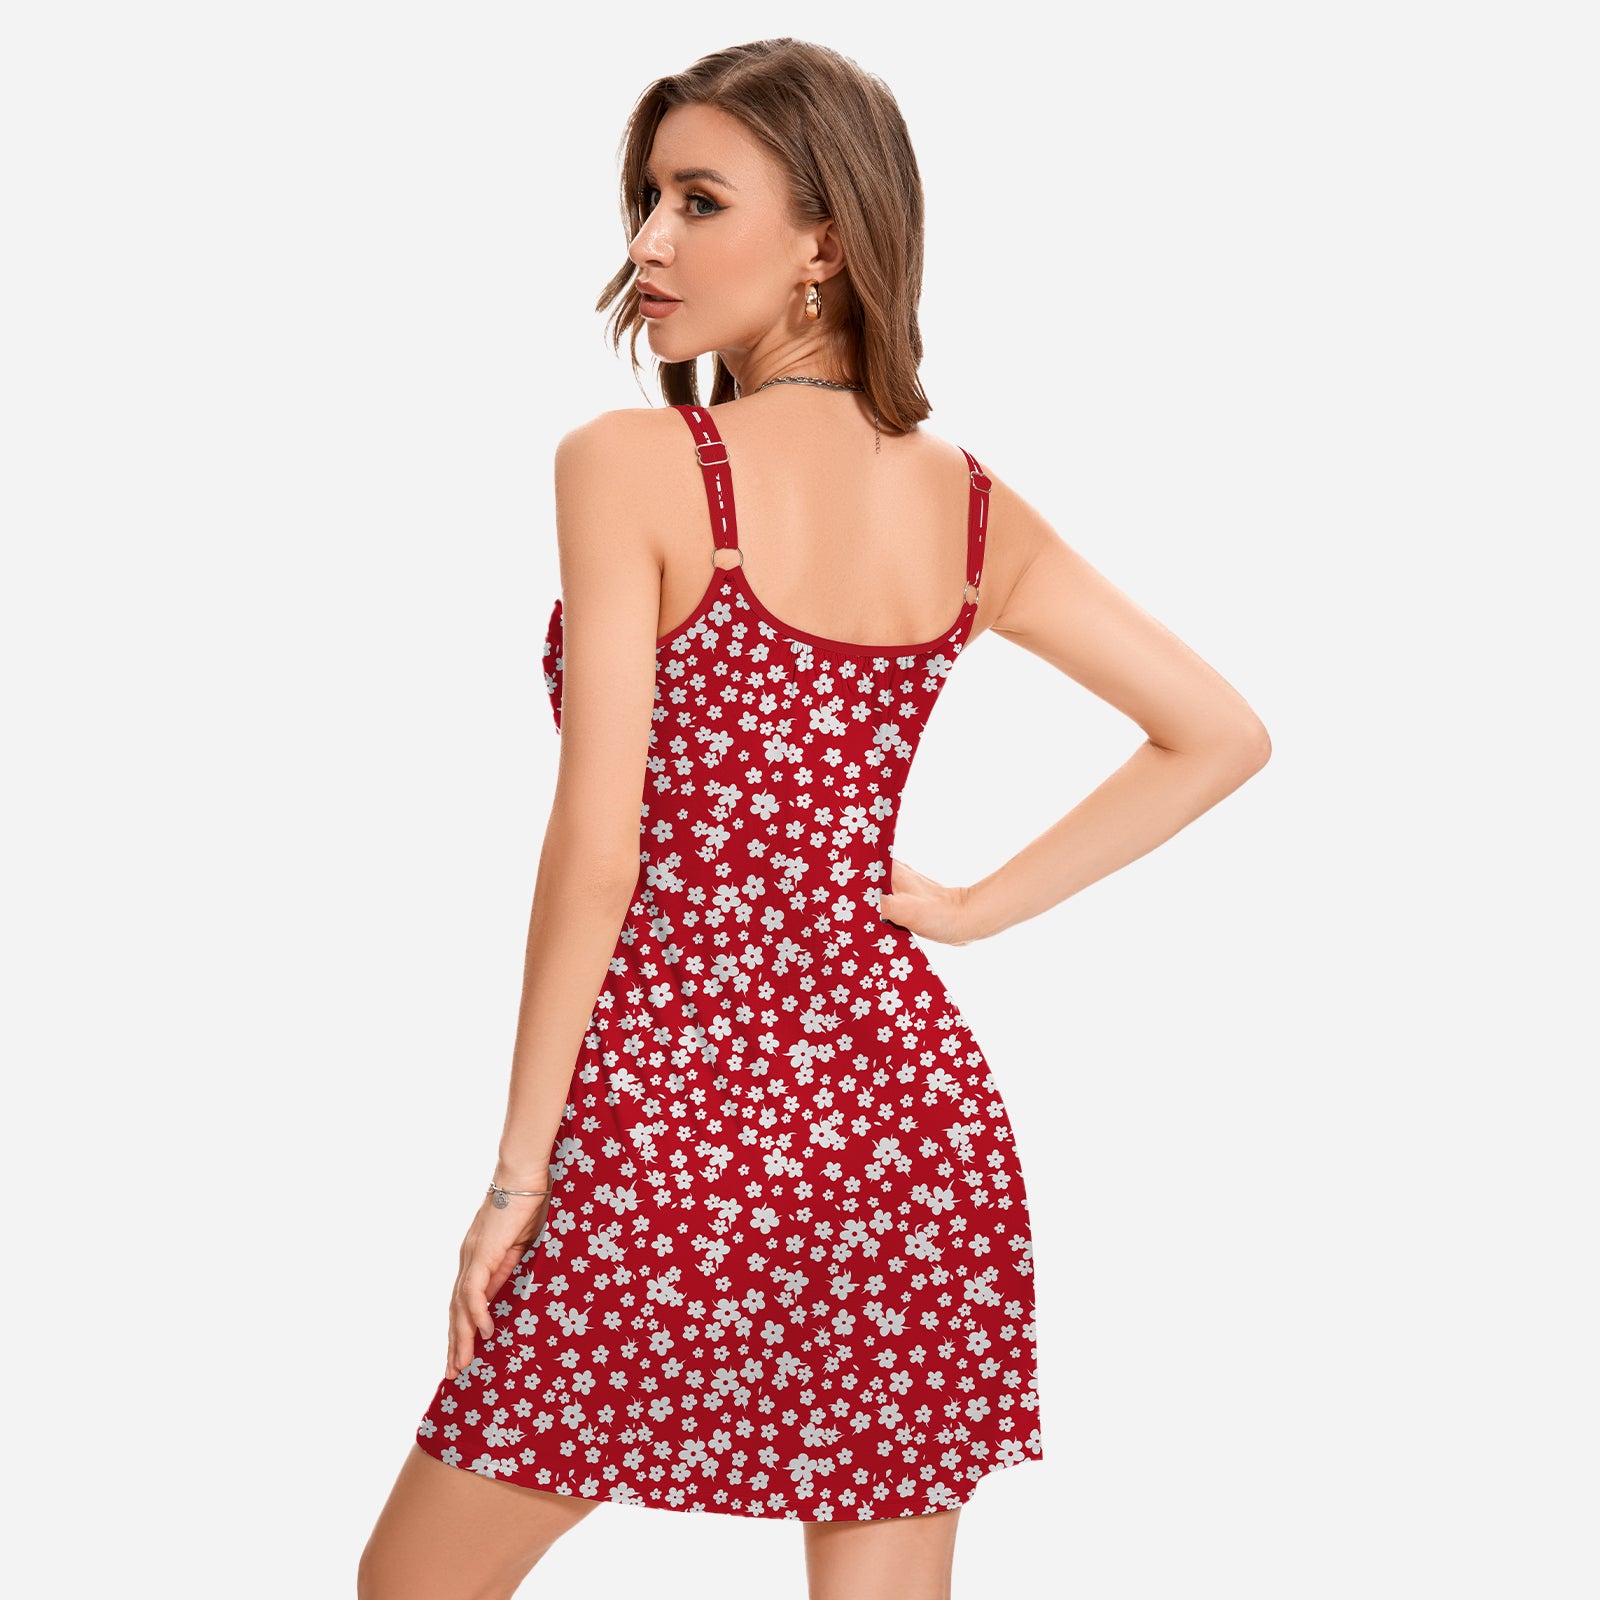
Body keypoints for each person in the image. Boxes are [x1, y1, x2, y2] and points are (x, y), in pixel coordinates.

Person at [359, 36, 1270, 1600]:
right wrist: (967, 912)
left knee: (413, 1585)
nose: (649, 243)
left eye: (699, 200)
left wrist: (518, 1179)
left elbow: (601, 849)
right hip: (907, 1133)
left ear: (826, 243)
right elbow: (1218, 732)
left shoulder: (633, 463)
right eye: (648, 198)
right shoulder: (971, 507)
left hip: (674, 1119)